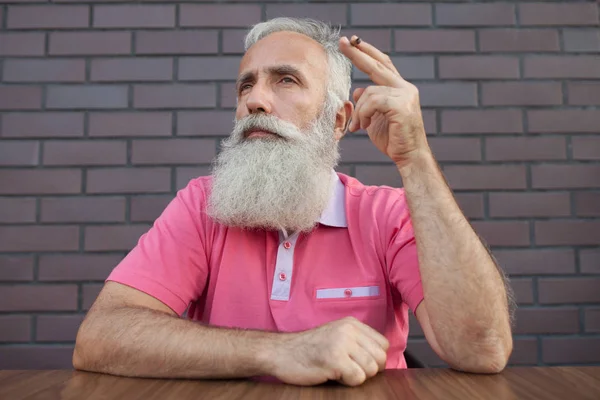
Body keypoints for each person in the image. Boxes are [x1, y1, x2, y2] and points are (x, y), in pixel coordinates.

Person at [73, 18, 514, 387]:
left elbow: (482, 350)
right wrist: (279, 351)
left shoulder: (387, 214)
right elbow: (101, 336)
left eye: (285, 80)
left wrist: (414, 158)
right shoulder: (202, 205)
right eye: (246, 85)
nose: (255, 100)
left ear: (338, 119)